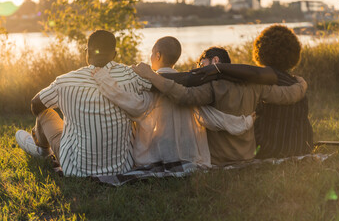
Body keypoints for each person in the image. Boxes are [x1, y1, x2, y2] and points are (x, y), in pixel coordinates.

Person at [92, 36, 256, 167]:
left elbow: (132, 104)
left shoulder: (150, 84)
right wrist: (246, 122)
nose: (150, 57)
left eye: (151, 53)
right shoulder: (188, 85)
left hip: (156, 155)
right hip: (188, 154)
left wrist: (103, 79)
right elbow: (214, 118)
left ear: (157, 55)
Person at [131, 47, 308, 165]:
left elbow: (183, 96)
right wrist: (301, 84)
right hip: (246, 155)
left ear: (215, 60)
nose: (199, 69)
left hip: (220, 159)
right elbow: (288, 96)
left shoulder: (213, 87)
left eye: (202, 64)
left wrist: (152, 76)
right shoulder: (255, 86)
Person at [15, 30, 152, 177]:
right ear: (114, 54)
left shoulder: (65, 81)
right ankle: (44, 144)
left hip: (76, 168)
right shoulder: (132, 76)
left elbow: (35, 104)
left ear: (87, 53)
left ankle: (42, 150)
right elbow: (158, 83)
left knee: (45, 113)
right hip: (123, 167)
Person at [252, 24, 313, 158]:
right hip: (300, 147)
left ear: (260, 51)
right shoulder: (298, 84)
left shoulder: (259, 84)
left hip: (267, 150)